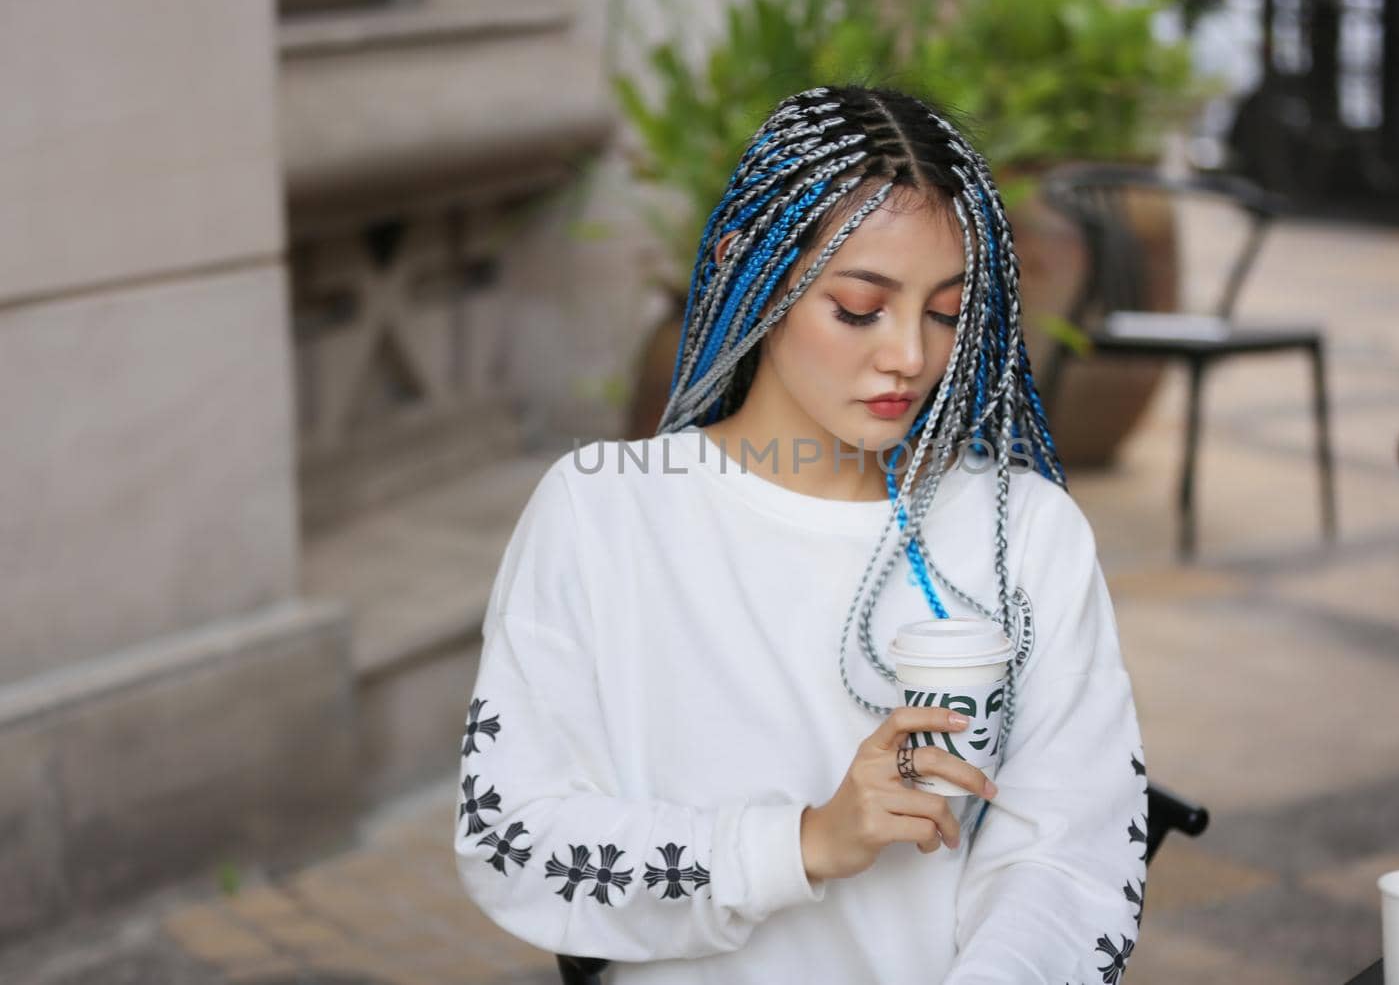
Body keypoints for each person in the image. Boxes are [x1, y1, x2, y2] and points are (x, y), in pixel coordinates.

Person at [453, 86, 1146, 984]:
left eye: (945, 312)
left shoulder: (1024, 533)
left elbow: (1073, 856)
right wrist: (802, 841)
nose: (909, 355)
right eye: (861, 307)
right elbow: (511, 834)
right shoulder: (607, 517)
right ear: (753, 269)